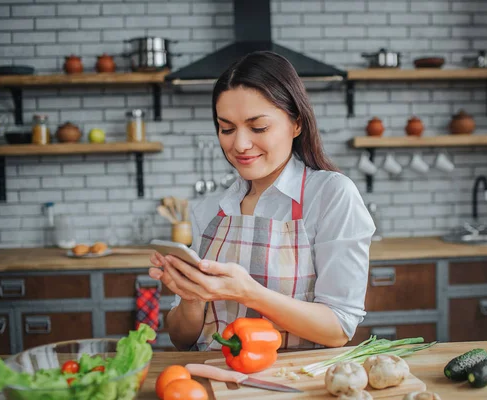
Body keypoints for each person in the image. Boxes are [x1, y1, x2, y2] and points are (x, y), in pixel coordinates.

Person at [149, 51, 375, 351]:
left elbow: (338, 329)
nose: (239, 144)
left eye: (258, 128)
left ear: (296, 123)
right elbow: (182, 339)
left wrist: (249, 293)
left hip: (295, 384)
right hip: (220, 383)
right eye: (226, 128)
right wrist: (192, 299)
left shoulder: (330, 195)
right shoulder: (211, 208)